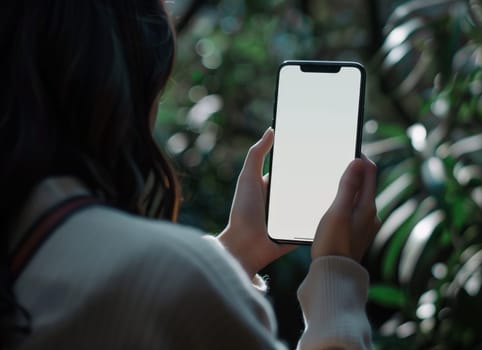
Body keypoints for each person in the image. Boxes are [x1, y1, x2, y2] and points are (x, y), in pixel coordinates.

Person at [0, 0, 381, 349]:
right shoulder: (171, 278)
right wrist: (337, 274)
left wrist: (239, 249)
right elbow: (160, 295)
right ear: (122, 90)